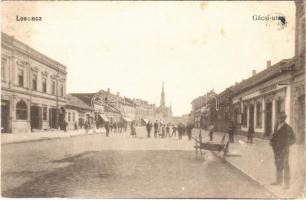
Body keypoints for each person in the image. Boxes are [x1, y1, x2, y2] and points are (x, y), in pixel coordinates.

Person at [270, 112, 295, 189]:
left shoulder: (288, 128)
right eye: (278, 118)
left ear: (284, 119)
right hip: (276, 150)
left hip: (284, 150)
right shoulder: (276, 126)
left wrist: (286, 145)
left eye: (281, 118)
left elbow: (293, 139)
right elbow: (274, 136)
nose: (279, 119)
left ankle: (287, 185)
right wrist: (271, 141)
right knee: (278, 164)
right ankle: (278, 181)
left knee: (285, 165)